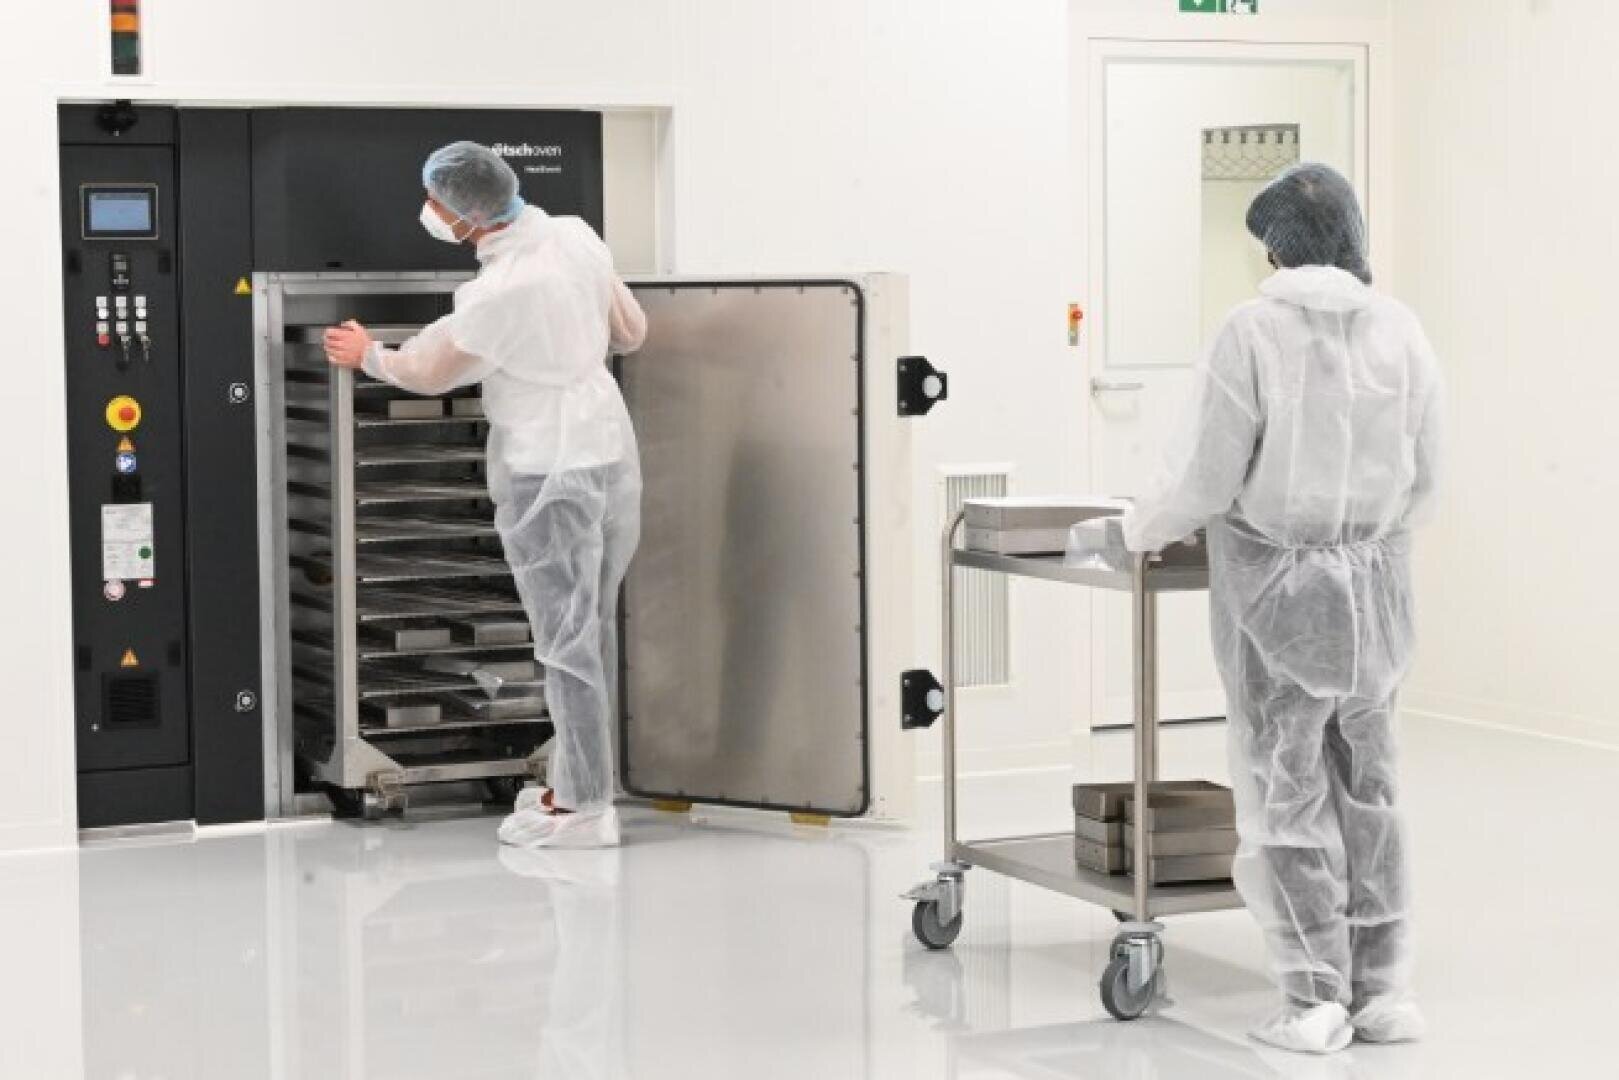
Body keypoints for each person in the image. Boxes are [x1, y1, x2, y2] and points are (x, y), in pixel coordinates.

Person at [1072, 163, 1441, 1054]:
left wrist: (1134, 531)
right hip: (1376, 592)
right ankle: (1381, 995)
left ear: (1275, 246)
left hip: (1278, 594)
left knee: (1286, 791)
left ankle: (1312, 1001)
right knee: (1372, 791)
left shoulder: (1252, 332)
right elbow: (1425, 478)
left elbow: (1205, 474)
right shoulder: (1400, 331)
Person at [324, 141, 647, 849]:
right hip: (606, 449)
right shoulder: (575, 235)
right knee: (590, 627)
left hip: (546, 464)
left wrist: (369, 355)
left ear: (465, 214)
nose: (429, 211)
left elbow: (429, 371)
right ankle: (576, 781)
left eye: (434, 201)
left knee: (564, 641)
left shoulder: (499, 293)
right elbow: (631, 331)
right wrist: (567, 343)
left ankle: (585, 808)